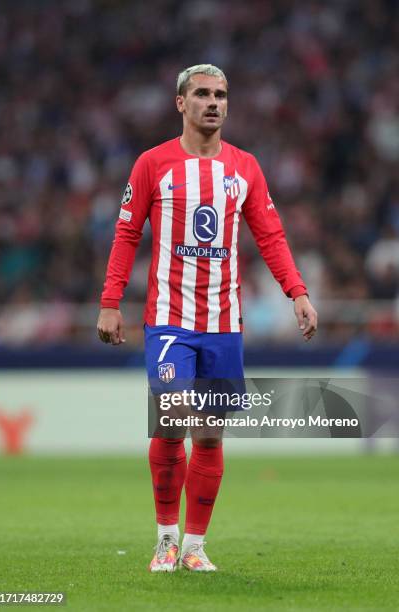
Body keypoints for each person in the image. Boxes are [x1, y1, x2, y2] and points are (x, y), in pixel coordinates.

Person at [97, 64, 317, 573]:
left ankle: (194, 548)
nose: (213, 102)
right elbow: (127, 234)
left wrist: (297, 292)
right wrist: (110, 300)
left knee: (211, 436)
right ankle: (165, 539)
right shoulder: (152, 164)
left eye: (220, 94)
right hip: (170, 321)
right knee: (173, 420)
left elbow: (271, 235)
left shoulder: (245, 168)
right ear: (181, 103)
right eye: (201, 94)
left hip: (223, 322)